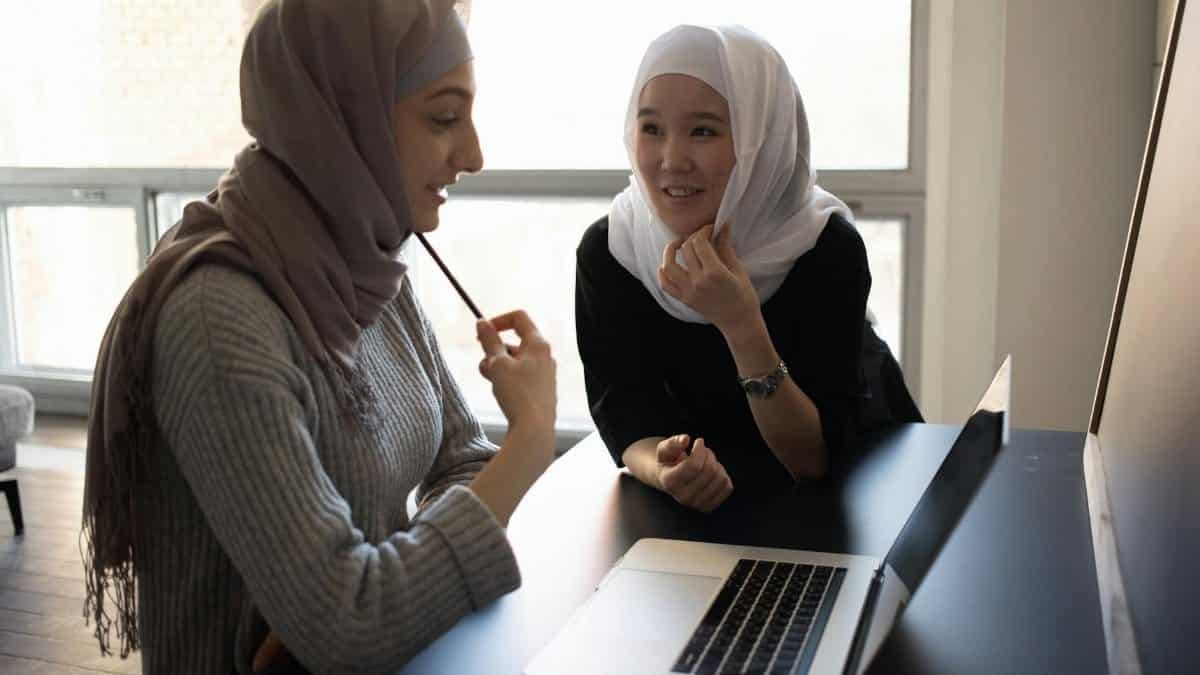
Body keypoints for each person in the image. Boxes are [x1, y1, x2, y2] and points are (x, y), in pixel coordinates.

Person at [80, 2, 557, 673]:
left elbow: (460, 460)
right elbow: (351, 625)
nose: (473, 155)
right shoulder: (217, 318)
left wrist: (388, 589)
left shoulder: (364, 260)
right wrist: (530, 441)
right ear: (341, 116)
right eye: (444, 118)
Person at [575, 24, 872, 512]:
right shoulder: (612, 251)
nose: (671, 160)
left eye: (703, 131)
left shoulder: (824, 248)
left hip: (829, 504)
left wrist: (739, 321)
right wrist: (663, 468)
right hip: (684, 520)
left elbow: (814, 462)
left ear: (762, 138)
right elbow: (625, 417)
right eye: (651, 128)